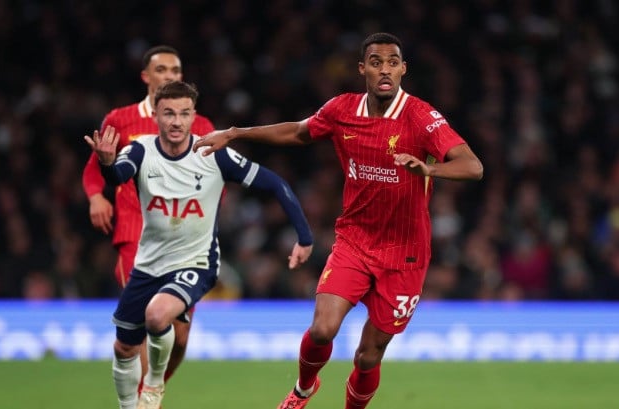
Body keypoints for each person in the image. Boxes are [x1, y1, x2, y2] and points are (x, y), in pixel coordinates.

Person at [193, 32, 484, 409]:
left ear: (403, 70)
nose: (385, 70)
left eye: (392, 63)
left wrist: (429, 170)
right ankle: (303, 390)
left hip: (405, 254)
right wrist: (235, 133)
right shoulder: (342, 109)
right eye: (376, 63)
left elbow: (472, 166)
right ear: (363, 69)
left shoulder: (420, 117)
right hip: (355, 242)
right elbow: (299, 131)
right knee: (322, 329)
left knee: (368, 356)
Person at [85, 80, 314, 409]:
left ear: (194, 116)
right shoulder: (140, 150)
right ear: (156, 118)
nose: (176, 121)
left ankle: (153, 384)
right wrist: (106, 163)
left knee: (156, 316)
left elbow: (276, 184)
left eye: (184, 113)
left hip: (196, 263)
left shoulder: (212, 153)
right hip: (148, 265)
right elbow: (117, 177)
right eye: (168, 113)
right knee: (123, 349)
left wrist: (304, 237)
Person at [81, 45, 214, 389]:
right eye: (161, 70)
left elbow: (216, 179)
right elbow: (96, 167)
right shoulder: (120, 120)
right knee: (143, 323)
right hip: (135, 235)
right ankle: (144, 399)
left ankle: (152, 390)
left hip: (185, 242)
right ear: (146, 76)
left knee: (180, 338)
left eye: (175, 70)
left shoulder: (200, 125)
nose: (169, 76)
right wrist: (96, 196)